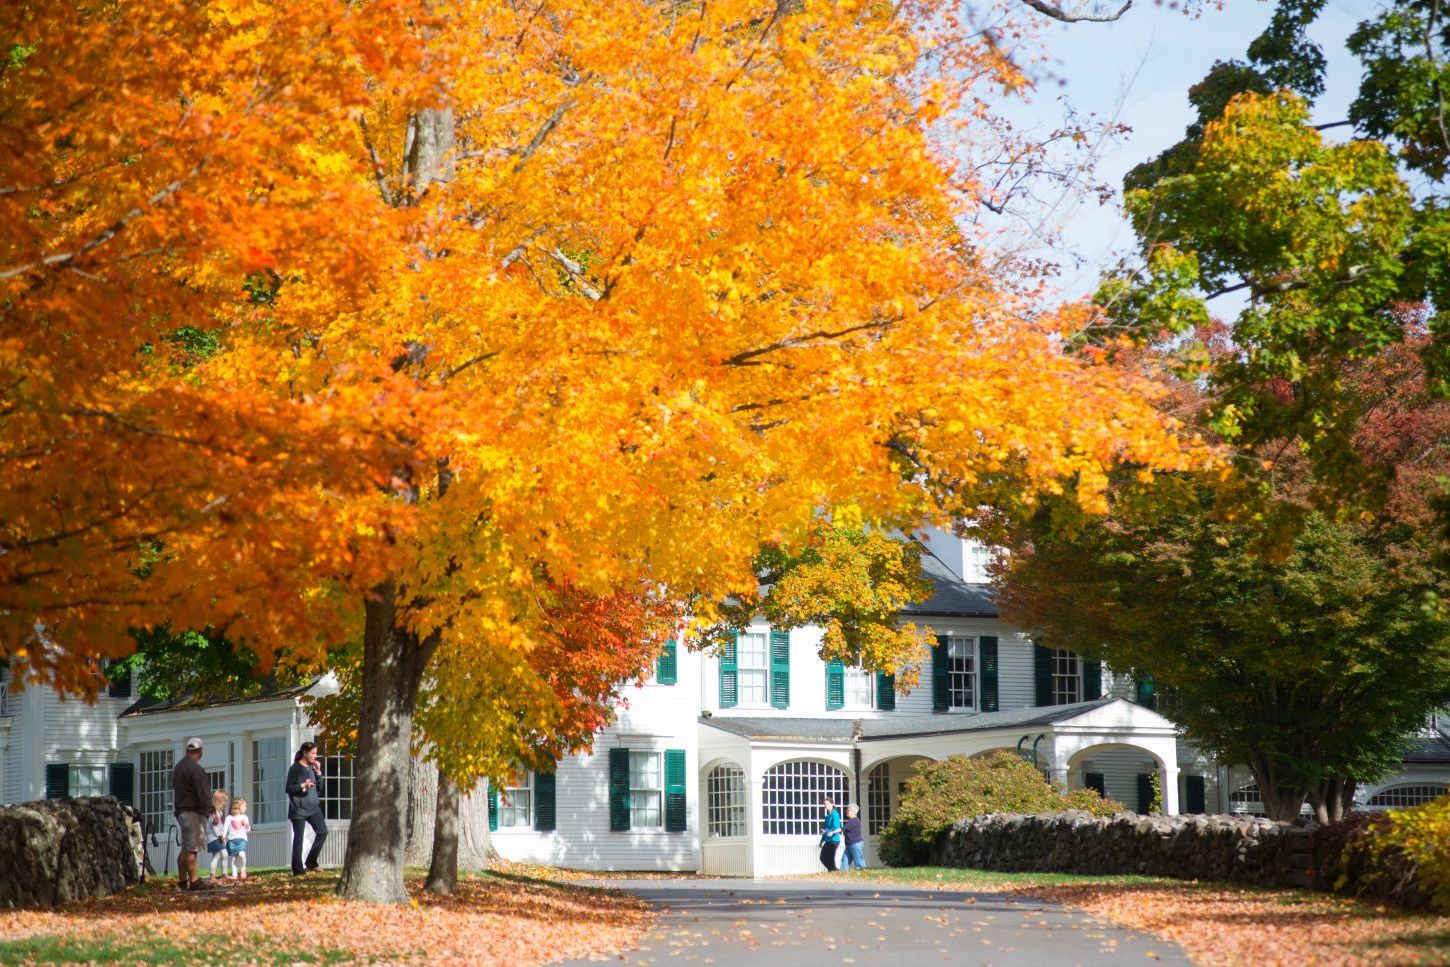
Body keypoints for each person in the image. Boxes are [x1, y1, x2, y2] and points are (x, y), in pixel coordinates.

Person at [171, 737, 214, 891]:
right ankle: (194, 882)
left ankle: (183, 881)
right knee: (192, 849)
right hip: (192, 813)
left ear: (187, 750)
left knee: (185, 847)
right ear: (200, 751)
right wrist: (210, 809)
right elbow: (203, 792)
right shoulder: (195, 769)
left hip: (181, 811)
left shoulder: (179, 767)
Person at [286, 740, 328, 875]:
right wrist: (302, 786)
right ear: (305, 753)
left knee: (322, 832)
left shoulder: (311, 768)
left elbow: (319, 789)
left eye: (316, 753)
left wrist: (319, 773)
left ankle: (311, 862)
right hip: (298, 810)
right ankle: (298, 871)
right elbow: (288, 788)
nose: (315, 756)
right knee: (299, 839)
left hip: (313, 807)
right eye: (313, 753)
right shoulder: (295, 768)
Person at [225, 796, 252, 881]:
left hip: (241, 839)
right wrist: (223, 837)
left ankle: (243, 870)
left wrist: (246, 825)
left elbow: (248, 829)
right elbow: (225, 828)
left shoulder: (244, 817)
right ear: (238, 807)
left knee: (241, 854)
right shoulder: (229, 818)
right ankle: (234, 874)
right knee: (233, 858)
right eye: (244, 806)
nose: (246, 808)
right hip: (231, 840)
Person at [206, 789, 230, 881]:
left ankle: (222, 874)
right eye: (225, 801)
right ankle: (213, 876)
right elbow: (215, 826)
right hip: (213, 838)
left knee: (222, 855)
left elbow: (220, 825)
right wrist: (220, 835)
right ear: (220, 801)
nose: (226, 803)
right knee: (220, 855)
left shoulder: (220, 812)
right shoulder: (213, 813)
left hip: (217, 837)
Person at [818, 795, 842, 871]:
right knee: (823, 858)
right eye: (825, 804)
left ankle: (833, 871)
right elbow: (826, 830)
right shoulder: (827, 816)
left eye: (827, 803)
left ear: (832, 804)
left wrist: (827, 831)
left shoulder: (835, 814)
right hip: (828, 840)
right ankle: (834, 871)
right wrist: (822, 841)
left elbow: (836, 827)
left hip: (834, 840)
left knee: (830, 859)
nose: (826, 805)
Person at [841, 803, 867, 870]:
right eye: (847, 809)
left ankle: (864, 875)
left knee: (859, 863)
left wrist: (832, 832)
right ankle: (842, 875)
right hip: (850, 845)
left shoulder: (854, 821)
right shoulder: (851, 821)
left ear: (854, 812)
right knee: (844, 861)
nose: (847, 811)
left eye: (849, 810)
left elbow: (842, 829)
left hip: (855, 844)